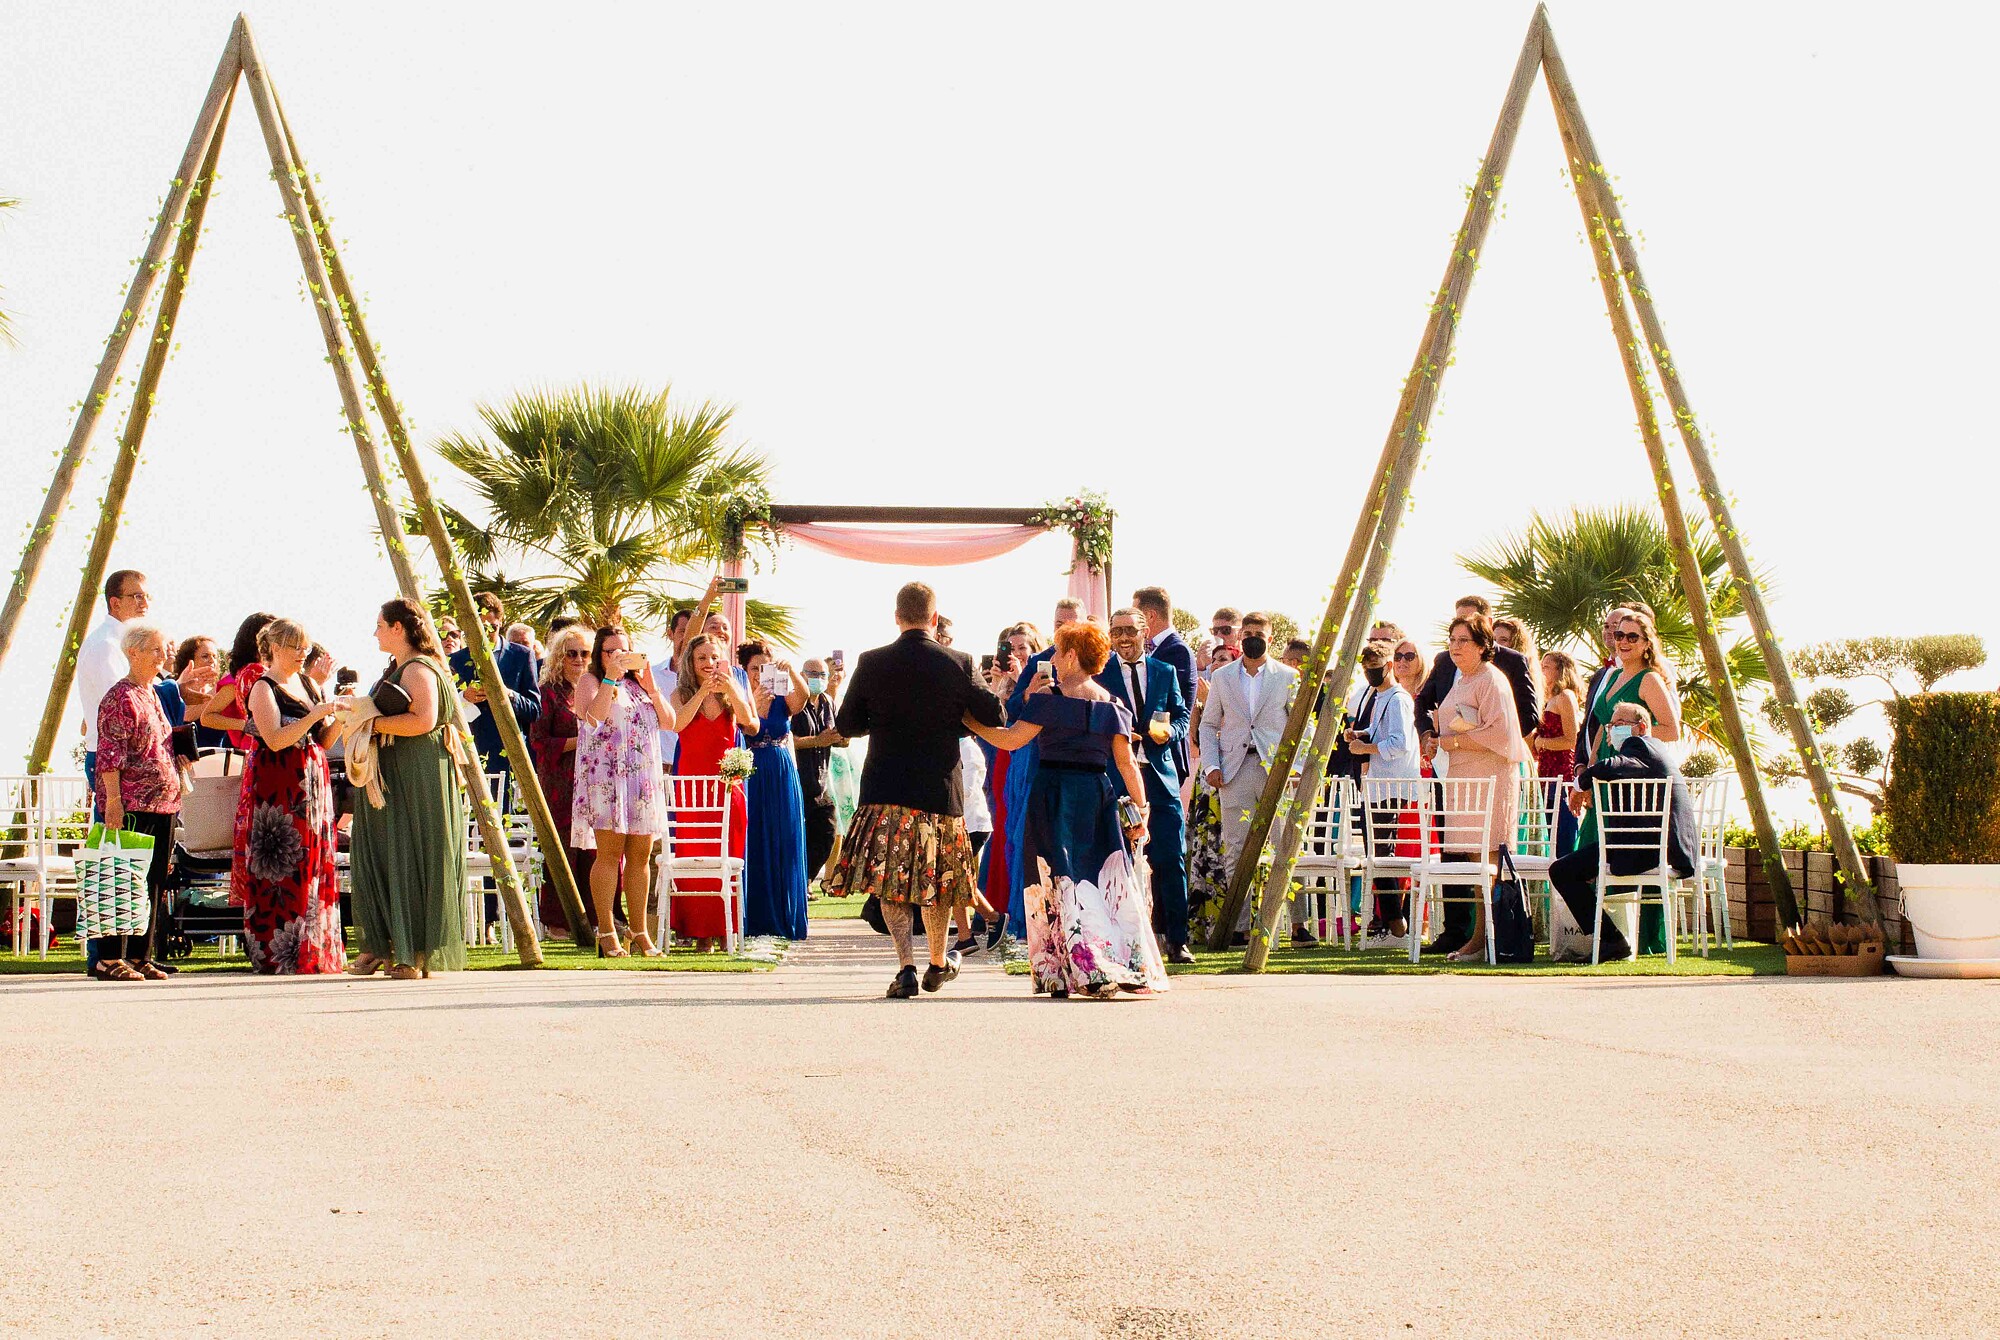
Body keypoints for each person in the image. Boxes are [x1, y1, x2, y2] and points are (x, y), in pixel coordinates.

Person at [965, 619, 1168, 998]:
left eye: (1058, 651)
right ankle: (1108, 962)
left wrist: (969, 720)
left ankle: (1063, 970)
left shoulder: (1048, 702)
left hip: (1053, 794)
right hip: (1096, 796)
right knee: (1096, 878)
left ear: (1073, 655)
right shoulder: (1113, 705)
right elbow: (1125, 765)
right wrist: (1141, 811)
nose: (1053, 659)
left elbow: (1009, 741)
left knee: (1056, 878)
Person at [824, 582, 1004, 998]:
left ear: (897, 618)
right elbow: (993, 714)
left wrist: (881, 718)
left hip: (885, 788)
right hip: (938, 793)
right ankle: (938, 962)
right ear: (934, 618)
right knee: (937, 881)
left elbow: (848, 724)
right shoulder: (959, 662)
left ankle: (905, 966)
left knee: (891, 883)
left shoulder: (871, 662)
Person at [348, 599, 467, 979]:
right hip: (392, 775)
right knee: (383, 852)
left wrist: (370, 723)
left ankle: (413, 951)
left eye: (381, 625)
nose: (376, 632)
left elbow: (424, 720)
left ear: (399, 628)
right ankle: (382, 944)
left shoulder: (417, 668)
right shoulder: (399, 667)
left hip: (415, 774)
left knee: (412, 854)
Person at [235, 618, 346, 974]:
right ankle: (277, 954)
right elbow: (275, 738)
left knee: (313, 860)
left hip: (312, 778)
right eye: (296, 648)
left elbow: (325, 740)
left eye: (305, 648)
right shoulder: (262, 687)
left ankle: (313, 948)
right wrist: (314, 715)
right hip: (278, 783)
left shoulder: (310, 684)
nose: (303, 654)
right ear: (276, 648)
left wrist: (340, 715)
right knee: (282, 867)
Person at [1550, 702, 1695, 962]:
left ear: (1641, 727)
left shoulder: (1639, 746)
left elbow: (1613, 765)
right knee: (1574, 866)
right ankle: (1610, 939)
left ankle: (1610, 941)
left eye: (1619, 725)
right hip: (1658, 845)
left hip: (1647, 849)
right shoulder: (1657, 748)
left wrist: (1582, 781)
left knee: (1561, 870)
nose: (1612, 730)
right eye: (1610, 725)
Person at [1576, 607, 1682, 954]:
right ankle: (1604, 938)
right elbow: (1600, 731)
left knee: (1635, 854)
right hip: (1605, 780)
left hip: (1635, 784)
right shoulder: (1614, 677)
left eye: (1631, 636)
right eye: (1619, 635)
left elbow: (1672, 728)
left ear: (1646, 642)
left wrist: (1641, 735)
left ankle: (1647, 940)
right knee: (1589, 854)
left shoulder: (1649, 679)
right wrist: (1588, 774)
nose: (1622, 642)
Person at [1429, 613, 1531, 961]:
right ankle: (1482, 937)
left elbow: (1501, 734)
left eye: (1463, 641)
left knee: (1489, 861)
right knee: (1476, 864)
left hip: (1490, 778)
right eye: (1452, 640)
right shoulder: (1463, 679)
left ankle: (1486, 939)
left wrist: (1453, 743)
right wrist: (1436, 738)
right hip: (1464, 777)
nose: (1455, 647)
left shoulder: (1491, 679)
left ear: (1483, 646)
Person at [1197, 611, 1302, 940]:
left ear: (1270, 638)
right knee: (1236, 849)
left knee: (1286, 844)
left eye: (1260, 632)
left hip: (1277, 770)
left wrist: (1296, 768)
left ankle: (1298, 925)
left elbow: (1303, 724)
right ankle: (1239, 927)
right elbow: (1209, 724)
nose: (1253, 637)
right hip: (1235, 769)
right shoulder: (1224, 677)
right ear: (1240, 638)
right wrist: (1212, 766)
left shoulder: (1288, 676)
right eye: (1248, 633)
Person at [572, 626, 675, 956]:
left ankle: (639, 929)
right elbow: (592, 719)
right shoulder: (591, 682)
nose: (618, 657)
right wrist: (610, 678)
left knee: (641, 857)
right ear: (599, 655)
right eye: (610, 652)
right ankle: (605, 931)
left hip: (642, 779)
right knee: (609, 855)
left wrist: (652, 687)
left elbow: (670, 722)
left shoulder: (640, 684)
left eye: (624, 651)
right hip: (607, 780)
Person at [89, 622, 182, 981]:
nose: (163, 656)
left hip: (164, 803)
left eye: (163, 649)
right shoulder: (120, 697)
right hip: (132, 802)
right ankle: (110, 957)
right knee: (120, 877)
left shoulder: (152, 692)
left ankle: (141, 954)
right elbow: (110, 754)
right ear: (134, 652)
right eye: (156, 650)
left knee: (153, 879)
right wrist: (113, 800)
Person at [1100, 607, 1193, 963]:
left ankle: (1177, 940)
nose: (1123, 638)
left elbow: (1182, 713)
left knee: (1171, 858)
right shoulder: (1100, 673)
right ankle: (1123, 941)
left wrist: (1171, 732)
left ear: (1144, 632)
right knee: (1117, 859)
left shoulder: (1164, 671)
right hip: (1116, 778)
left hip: (1158, 776)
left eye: (1130, 631)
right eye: (1116, 631)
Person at [670, 632, 757, 951]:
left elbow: (751, 723)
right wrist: (701, 692)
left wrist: (731, 688)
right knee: (695, 859)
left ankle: (726, 931)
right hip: (692, 790)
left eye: (713, 657)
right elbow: (676, 725)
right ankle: (699, 933)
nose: (708, 663)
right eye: (701, 658)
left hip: (726, 789)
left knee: (726, 857)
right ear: (691, 663)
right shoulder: (681, 693)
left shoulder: (729, 693)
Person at [1000, 601, 1082, 934]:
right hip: (1037, 755)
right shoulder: (1038, 660)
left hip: (1079, 757)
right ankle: (1027, 919)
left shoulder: (1093, 659)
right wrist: (1030, 692)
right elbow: (1014, 708)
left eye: (1070, 623)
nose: (1064, 629)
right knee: (1028, 835)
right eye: (1058, 623)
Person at [1343, 640, 1420, 946]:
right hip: (1378, 785)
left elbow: (1400, 743)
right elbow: (1382, 733)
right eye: (1367, 669)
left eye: (1375, 668)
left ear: (1388, 666)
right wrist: (1360, 734)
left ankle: (1396, 924)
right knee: (1377, 855)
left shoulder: (1398, 698)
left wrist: (1366, 747)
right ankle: (1394, 922)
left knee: (1383, 856)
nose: (1371, 674)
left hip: (1393, 785)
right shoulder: (1379, 697)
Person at [738, 640, 811, 941]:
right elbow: (743, 727)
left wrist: (791, 671)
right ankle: (757, 915)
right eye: (754, 668)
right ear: (744, 670)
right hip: (752, 771)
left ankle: (787, 914)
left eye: (763, 668)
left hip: (781, 770)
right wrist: (753, 700)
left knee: (785, 837)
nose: (759, 673)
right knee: (756, 837)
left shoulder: (782, 696)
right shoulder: (740, 696)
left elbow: (802, 700)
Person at [527, 624, 595, 937]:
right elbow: (539, 740)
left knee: (593, 850)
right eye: (572, 653)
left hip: (595, 781)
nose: (580, 659)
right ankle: (558, 920)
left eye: (586, 653)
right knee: (564, 848)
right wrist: (581, 740)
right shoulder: (549, 693)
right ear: (559, 657)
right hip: (560, 782)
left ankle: (596, 917)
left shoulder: (598, 689)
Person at [1415, 595, 1539, 761]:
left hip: (1492, 762)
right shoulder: (1444, 660)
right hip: (1448, 761)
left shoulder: (1511, 661)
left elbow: (1528, 715)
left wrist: (1493, 744)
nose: (1463, 625)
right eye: (1459, 619)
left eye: (1470, 620)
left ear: (1488, 622)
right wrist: (1427, 735)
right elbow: (1423, 702)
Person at [76, 569, 151, 821]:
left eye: (147, 596)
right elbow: (122, 711)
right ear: (115, 602)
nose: (145, 604)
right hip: (111, 760)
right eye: (137, 596)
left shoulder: (127, 643)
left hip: (129, 759)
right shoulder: (106, 646)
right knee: (113, 852)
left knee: (131, 851)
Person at [449, 590, 540, 785]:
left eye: (492, 627)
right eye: (480, 628)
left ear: (501, 621)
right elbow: (446, 712)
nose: (486, 633)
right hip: (469, 756)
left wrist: (509, 695)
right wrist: (464, 697)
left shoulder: (521, 656)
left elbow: (535, 710)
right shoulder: (456, 660)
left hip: (511, 758)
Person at [1132, 586, 1198, 783]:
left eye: (1136, 615)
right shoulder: (1155, 648)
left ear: (1150, 616)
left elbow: (1167, 706)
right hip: (1148, 757)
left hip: (1164, 756)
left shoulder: (1177, 651)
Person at [791, 657, 846, 890]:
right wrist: (817, 741)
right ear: (802, 675)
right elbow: (786, 740)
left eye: (822, 675)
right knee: (796, 838)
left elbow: (837, 736)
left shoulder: (827, 702)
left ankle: (803, 881)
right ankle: (797, 884)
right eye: (813, 674)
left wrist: (841, 738)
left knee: (827, 831)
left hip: (820, 781)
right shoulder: (794, 702)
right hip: (797, 780)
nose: (818, 679)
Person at [199, 612, 277, 752]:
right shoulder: (241, 677)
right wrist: (245, 725)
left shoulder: (274, 672)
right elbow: (207, 717)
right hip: (258, 748)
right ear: (253, 639)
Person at [1535, 649, 1587, 853]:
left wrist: (1542, 742)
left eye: (1546, 667)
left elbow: (1571, 739)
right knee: (1547, 830)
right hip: (1546, 772)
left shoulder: (1565, 696)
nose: (1541, 671)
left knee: (1562, 831)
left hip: (1561, 770)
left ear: (1560, 670)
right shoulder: (1548, 699)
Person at [172, 636, 222, 744]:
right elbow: (187, 716)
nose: (212, 661)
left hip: (219, 757)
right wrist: (221, 689)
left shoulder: (218, 690)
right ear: (189, 661)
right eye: (205, 656)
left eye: (215, 656)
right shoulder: (176, 689)